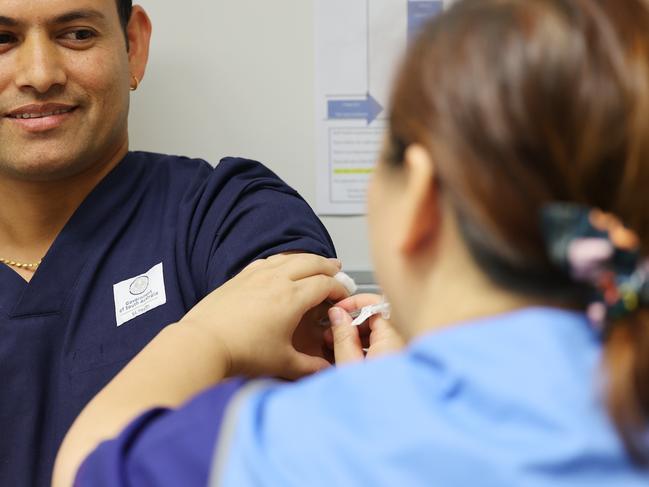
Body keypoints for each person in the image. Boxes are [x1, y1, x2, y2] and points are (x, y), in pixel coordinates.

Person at [54, 0, 649, 485]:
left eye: (77, 33)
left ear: (417, 196)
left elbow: (90, 464)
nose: (38, 73)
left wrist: (207, 336)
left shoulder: (316, 445)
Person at [0, 1, 338, 485]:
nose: (39, 74)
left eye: (76, 35)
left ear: (133, 46)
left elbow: (303, 418)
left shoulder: (229, 216)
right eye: (1, 40)